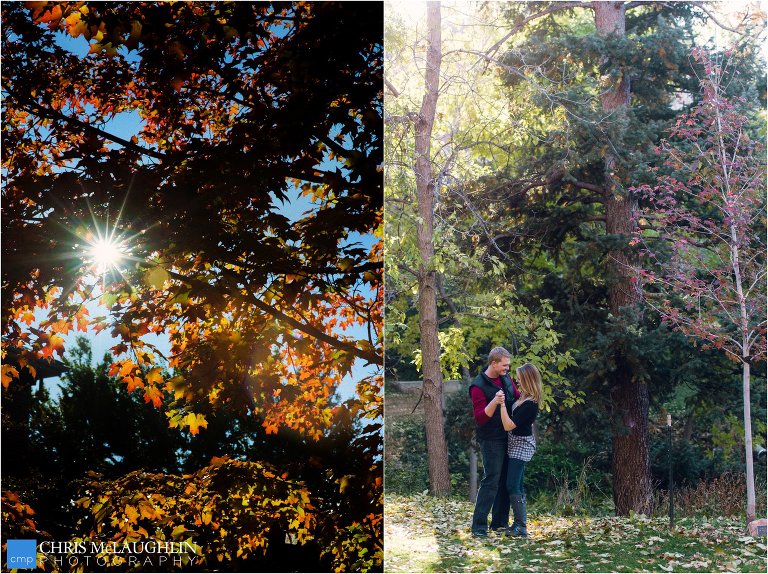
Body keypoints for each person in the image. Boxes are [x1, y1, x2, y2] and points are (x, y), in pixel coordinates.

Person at [469, 347, 520, 537]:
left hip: (510, 435)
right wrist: (495, 402)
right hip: (491, 439)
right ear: (494, 363)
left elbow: (516, 397)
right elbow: (481, 418)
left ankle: (499, 523)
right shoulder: (478, 386)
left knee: (506, 479)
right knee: (491, 480)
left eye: (508, 365)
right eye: (505, 365)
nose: (508, 368)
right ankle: (479, 527)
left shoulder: (506, 378)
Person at [499, 363, 542, 538]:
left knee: (512, 484)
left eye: (519, 377)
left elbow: (509, 425)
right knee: (517, 484)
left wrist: (501, 405)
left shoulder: (530, 404)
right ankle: (518, 524)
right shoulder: (523, 397)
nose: (517, 380)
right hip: (514, 442)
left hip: (522, 445)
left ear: (527, 379)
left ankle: (521, 526)